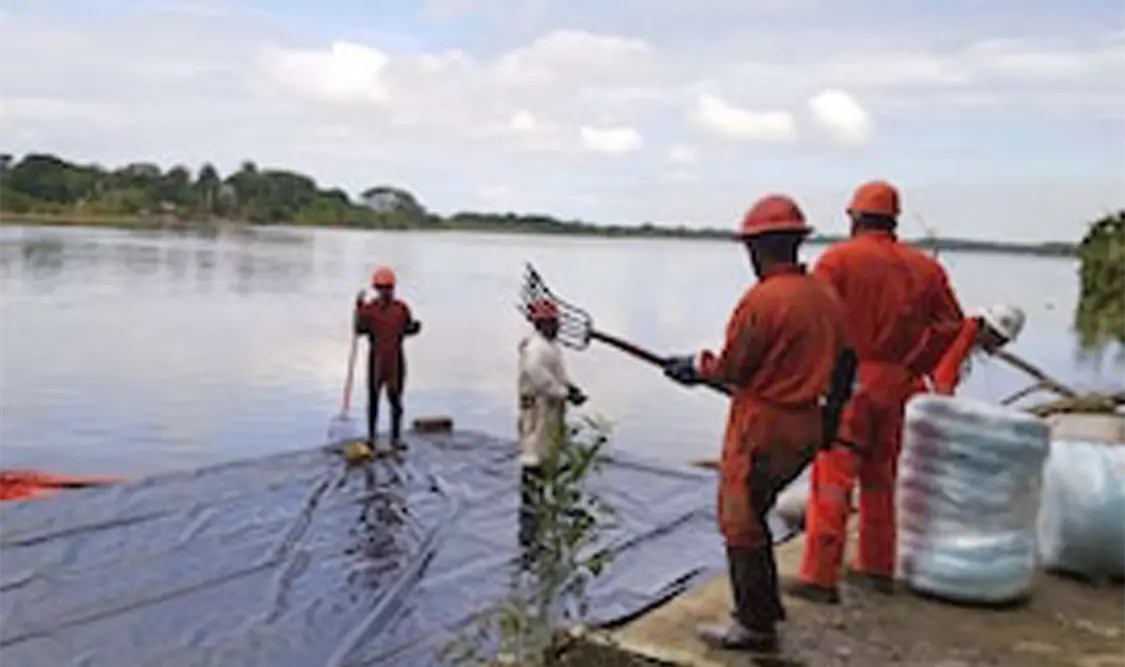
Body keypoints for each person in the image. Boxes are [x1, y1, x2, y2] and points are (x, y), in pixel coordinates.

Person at [662, 194, 850, 654]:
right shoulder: (824, 294)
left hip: (764, 427)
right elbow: (846, 362)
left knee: (741, 521)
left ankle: (754, 624)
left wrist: (696, 366)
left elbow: (734, 368)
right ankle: (765, 610)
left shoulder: (763, 301)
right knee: (759, 510)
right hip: (807, 425)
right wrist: (830, 419)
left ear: (757, 249)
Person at [789, 180, 967, 605]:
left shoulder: (838, 260)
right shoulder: (925, 268)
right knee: (880, 477)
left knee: (833, 477)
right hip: (897, 384)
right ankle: (877, 567)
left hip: (848, 381)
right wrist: (916, 362)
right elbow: (952, 325)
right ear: (893, 220)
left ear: (854, 217)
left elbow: (812, 316)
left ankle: (819, 576)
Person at [517, 299, 587, 563]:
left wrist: (571, 387)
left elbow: (558, 374)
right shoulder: (535, 350)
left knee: (550, 451)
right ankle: (530, 516)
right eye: (551, 322)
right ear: (540, 323)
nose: (556, 326)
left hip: (551, 408)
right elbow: (541, 380)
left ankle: (548, 503)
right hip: (538, 408)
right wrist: (565, 393)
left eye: (556, 322)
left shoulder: (551, 347)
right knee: (534, 452)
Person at [353, 266, 421, 450]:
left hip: (396, 359)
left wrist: (414, 328)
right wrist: (358, 310)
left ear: (393, 288)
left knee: (396, 400)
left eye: (388, 288)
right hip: (376, 359)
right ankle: (371, 437)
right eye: (382, 288)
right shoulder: (369, 310)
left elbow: (406, 329)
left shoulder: (401, 309)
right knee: (373, 400)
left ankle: (396, 438)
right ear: (376, 289)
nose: (385, 292)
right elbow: (359, 330)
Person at [928, 304, 1026, 395]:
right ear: (991, 332)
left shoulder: (968, 333)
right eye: (1002, 342)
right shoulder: (963, 336)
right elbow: (944, 377)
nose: (999, 347)